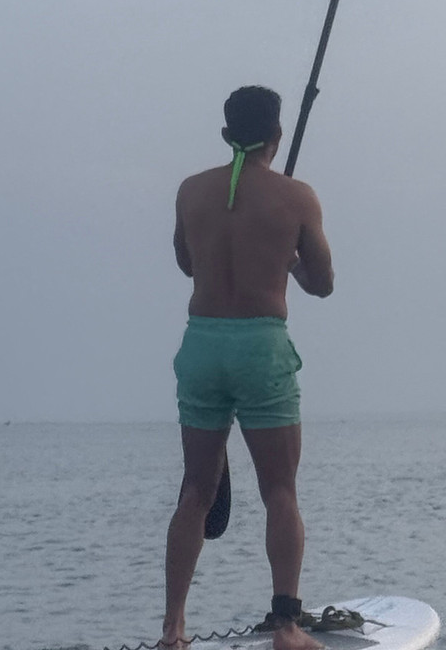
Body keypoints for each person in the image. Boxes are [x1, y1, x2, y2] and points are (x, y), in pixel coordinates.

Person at [161, 86, 334, 650]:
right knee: (279, 490)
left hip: (203, 344)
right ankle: (287, 627)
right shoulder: (297, 197)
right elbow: (322, 284)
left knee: (195, 490)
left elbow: (187, 263)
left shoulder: (190, 190)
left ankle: (173, 630)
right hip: (261, 346)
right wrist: (289, 261)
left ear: (225, 134)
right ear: (277, 136)